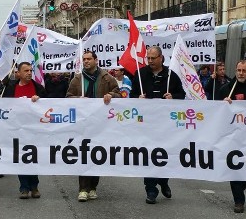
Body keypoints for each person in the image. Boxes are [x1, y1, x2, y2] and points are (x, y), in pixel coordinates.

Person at [130, 46, 186, 204]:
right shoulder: (140, 75)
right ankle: (151, 190)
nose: (150, 61)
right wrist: (137, 98)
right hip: (146, 125)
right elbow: (131, 96)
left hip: (165, 126)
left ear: (161, 58)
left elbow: (181, 95)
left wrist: (172, 96)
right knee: (148, 156)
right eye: (148, 58)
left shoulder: (171, 76)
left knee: (163, 155)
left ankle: (163, 180)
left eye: (153, 58)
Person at [66, 51, 120, 202]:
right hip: (83, 124)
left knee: (97, 154)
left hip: (100, 124)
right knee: (84, 154)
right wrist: (79, 98)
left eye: (89, 59)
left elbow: (119, 94)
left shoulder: (107, 78)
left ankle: (93, 187)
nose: (86, 61)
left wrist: (112, 95)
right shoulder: (77, 79)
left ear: (96, 60)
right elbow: (68, 97)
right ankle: (83, 188)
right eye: (84, 59)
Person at [216, 60, 246, 213]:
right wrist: (222, 105)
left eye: (244, 71)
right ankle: (239, 200)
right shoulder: (226, 89)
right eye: (238, 70)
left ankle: (241, 188)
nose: (241, 73)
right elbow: (215, 111)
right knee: (235, 166)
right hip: (232, 136)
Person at [3, 62, 47, 199]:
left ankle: (34, 186)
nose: (29, 73)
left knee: (32, 157)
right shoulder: (11, 88)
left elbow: (47, 106)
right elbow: (4, 106)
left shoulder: (38, 88)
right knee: (20, 158)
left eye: (30, 70)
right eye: (26, 70)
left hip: (34, 129)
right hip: (16, 128)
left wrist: (40, 101)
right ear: (18, 73)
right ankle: (24, 187)